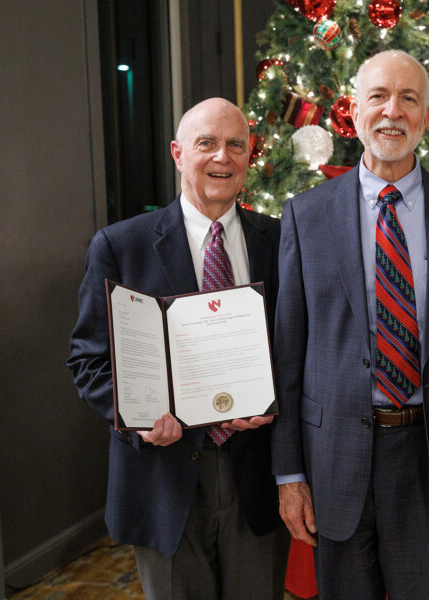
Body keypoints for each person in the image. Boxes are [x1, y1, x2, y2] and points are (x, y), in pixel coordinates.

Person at [271, 50, 429, 599]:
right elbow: (288, 353)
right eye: (378, 96)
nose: (391, 111)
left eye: (408, 98)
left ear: (425, 116)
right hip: (333, 466)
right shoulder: (305, 216)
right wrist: (288, 475)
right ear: (354, 109)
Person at [67, 98, 288, 600]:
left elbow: (298, 348)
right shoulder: (121, 246)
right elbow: (88, 360)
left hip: (256, 473)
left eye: (236, 145)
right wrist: (137, 417)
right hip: (161, 478)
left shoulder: (279, 240)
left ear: (250, 155)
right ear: (177, 152)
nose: (222, 157)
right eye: (206, 143)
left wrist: (276, 401)